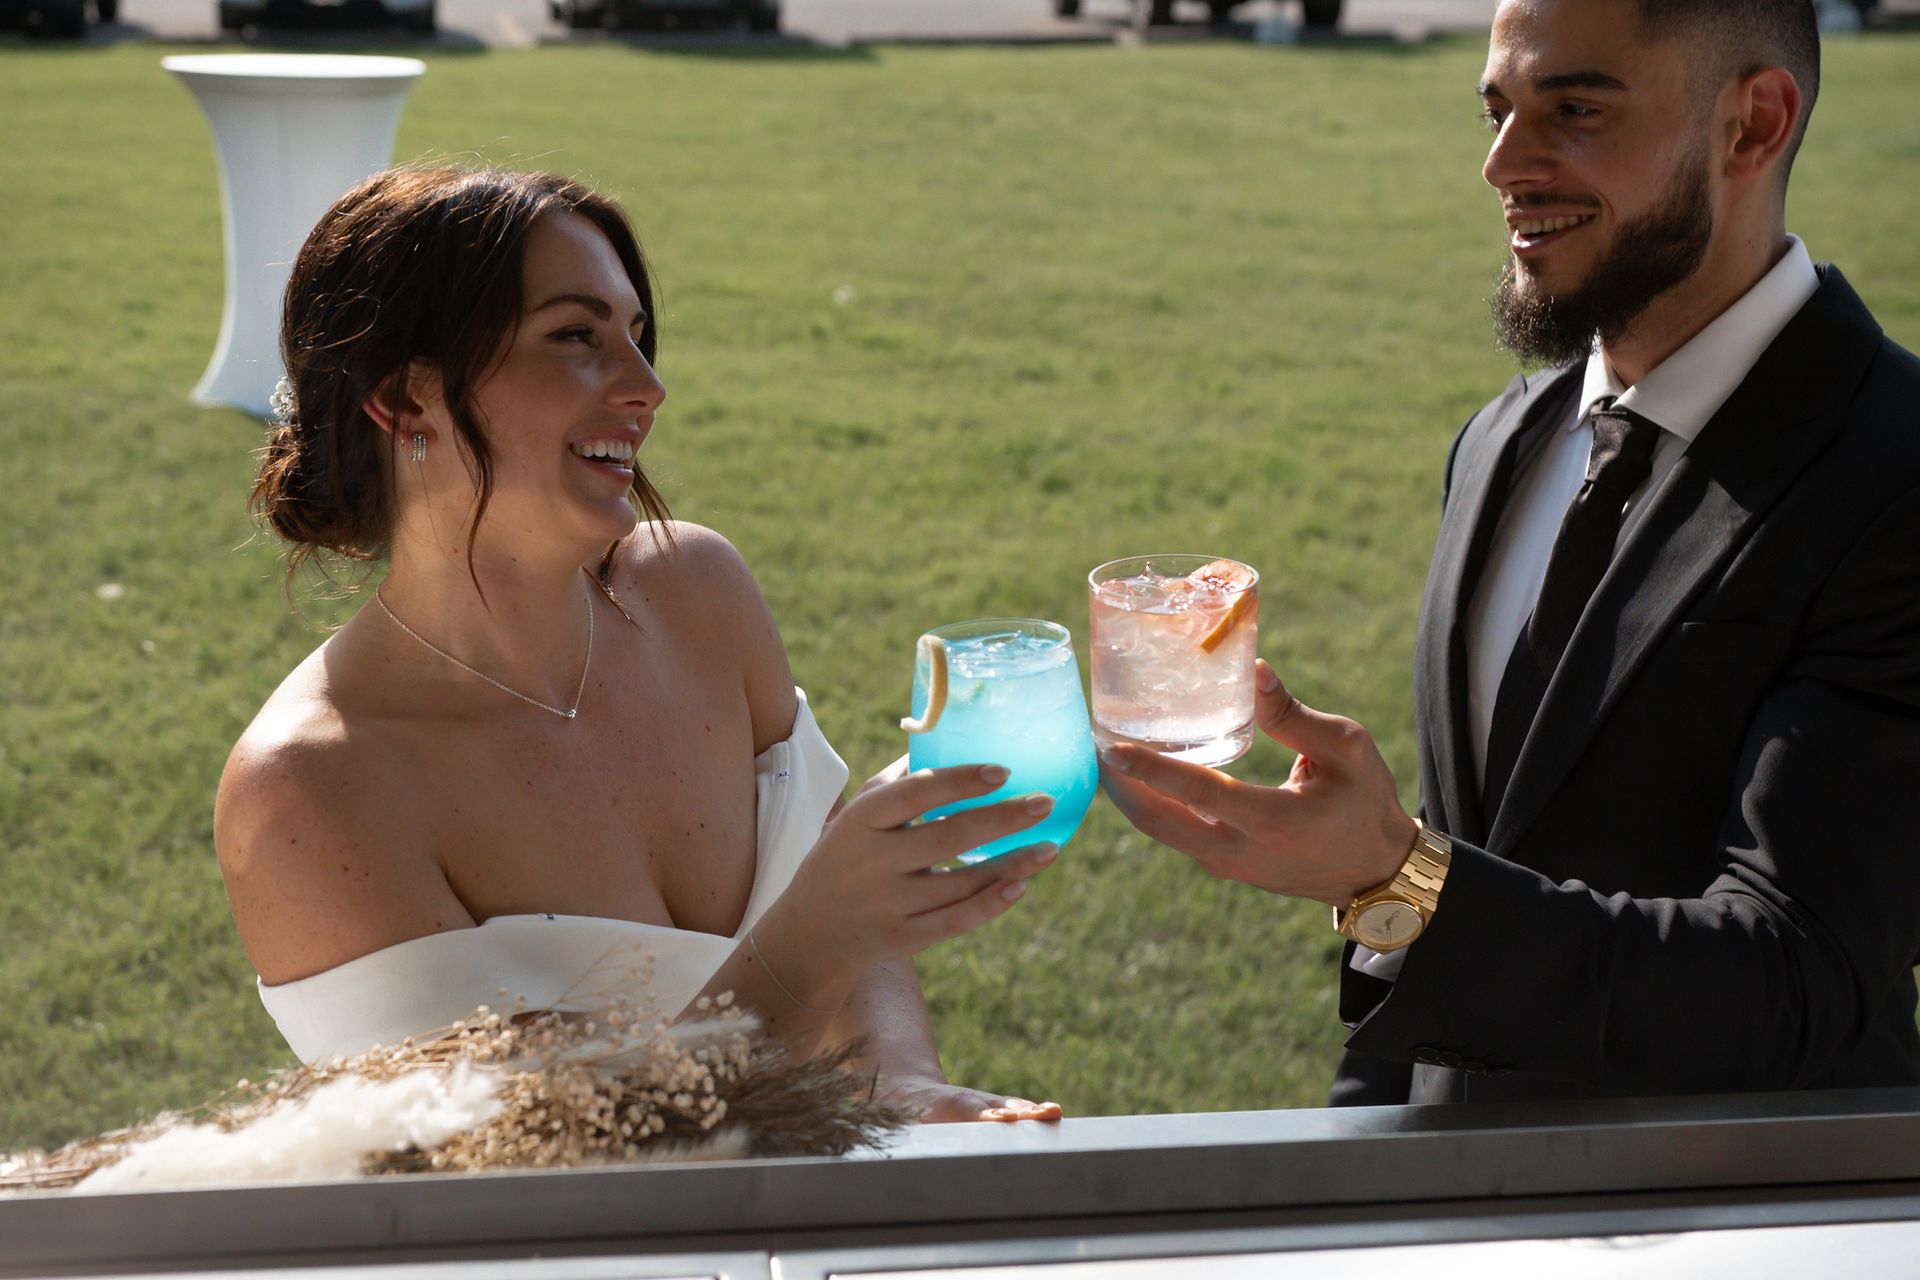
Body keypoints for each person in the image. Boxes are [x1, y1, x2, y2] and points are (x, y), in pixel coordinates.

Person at [1103, 0, 1920, 1105]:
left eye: (1574, 110)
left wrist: (1394, 872)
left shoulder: (1895, 474)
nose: (1502, 165)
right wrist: (1371, 1128)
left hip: (1744, 1198)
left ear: (1753, 124)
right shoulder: (1504, 441)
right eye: (1497, 112)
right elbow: (1460, 857)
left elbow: (1798, 975)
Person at [214, 166, 1062, 1123]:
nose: (647, 388)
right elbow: (561, 1164)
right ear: (406, 400)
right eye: (575, 337)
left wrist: (898, 1083)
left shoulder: (697, 591)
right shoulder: (312, 790)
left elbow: (846, 933)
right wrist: (812, 939)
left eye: (636, 335)